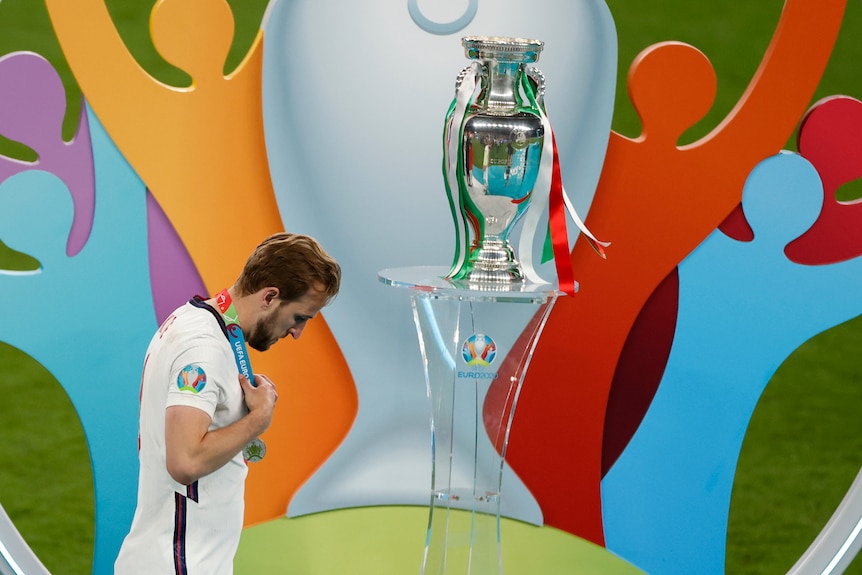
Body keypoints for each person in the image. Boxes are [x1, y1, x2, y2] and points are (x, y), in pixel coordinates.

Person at [114, 232, 341, 574]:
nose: (297, 333)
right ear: (270, 297)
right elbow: (184, 461)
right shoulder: (203, 348)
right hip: (180, 563)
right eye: (300, 317)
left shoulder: (195, 322)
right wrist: (257, 420)